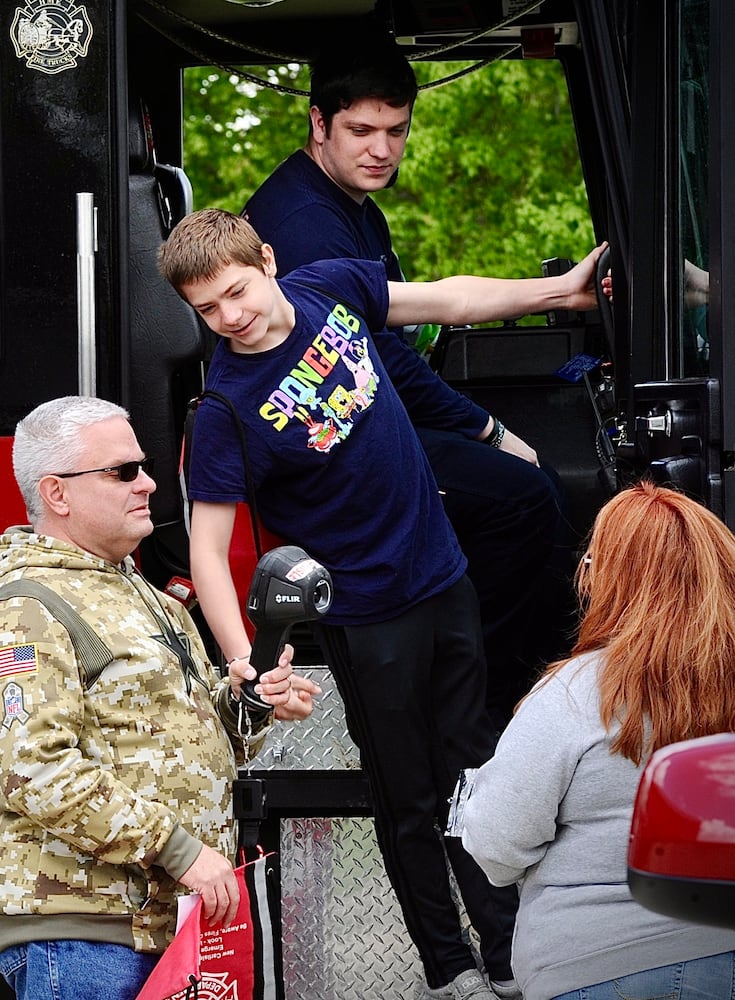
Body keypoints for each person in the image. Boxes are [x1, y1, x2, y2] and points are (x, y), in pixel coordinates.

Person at [157, 208, 604, 1000]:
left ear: (266, 259)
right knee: (408, 798)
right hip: (367, 614)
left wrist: (561, 292)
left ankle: (503, 957)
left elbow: (447, 299)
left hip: (443, 576)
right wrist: (240, 661)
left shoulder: (329, 287)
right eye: (207, 310)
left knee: (475, 771)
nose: (230, 318)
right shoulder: (226, 407)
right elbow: (206, 550)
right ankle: (448, 968)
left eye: (236, 291)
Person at [242, 35, 571, 725]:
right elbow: (377, 361)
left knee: (529, 481)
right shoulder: (305, 223)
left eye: (395, 132)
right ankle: (472, 701)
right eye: (360, 131)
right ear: (317, 124)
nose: (380, 150)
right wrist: (486, 428)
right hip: (325, 455)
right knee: (524, 499)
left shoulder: (351, 202)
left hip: (363, 419)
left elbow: (404, 329)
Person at [0, 395, 318, 1000]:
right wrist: (181, 852)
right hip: (81, 936)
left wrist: (258, 701)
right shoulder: (25, 607)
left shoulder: (146, 595)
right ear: (57, 493)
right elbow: (36, 770)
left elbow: (207, 742)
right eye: (123, 472)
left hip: (157, 927)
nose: (148, 483)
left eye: (143, 467)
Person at [460, 481, 735, 1000]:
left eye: (595, 561)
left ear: (617, 581)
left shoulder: (572, 694)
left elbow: (494, 847)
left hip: (593, 965)